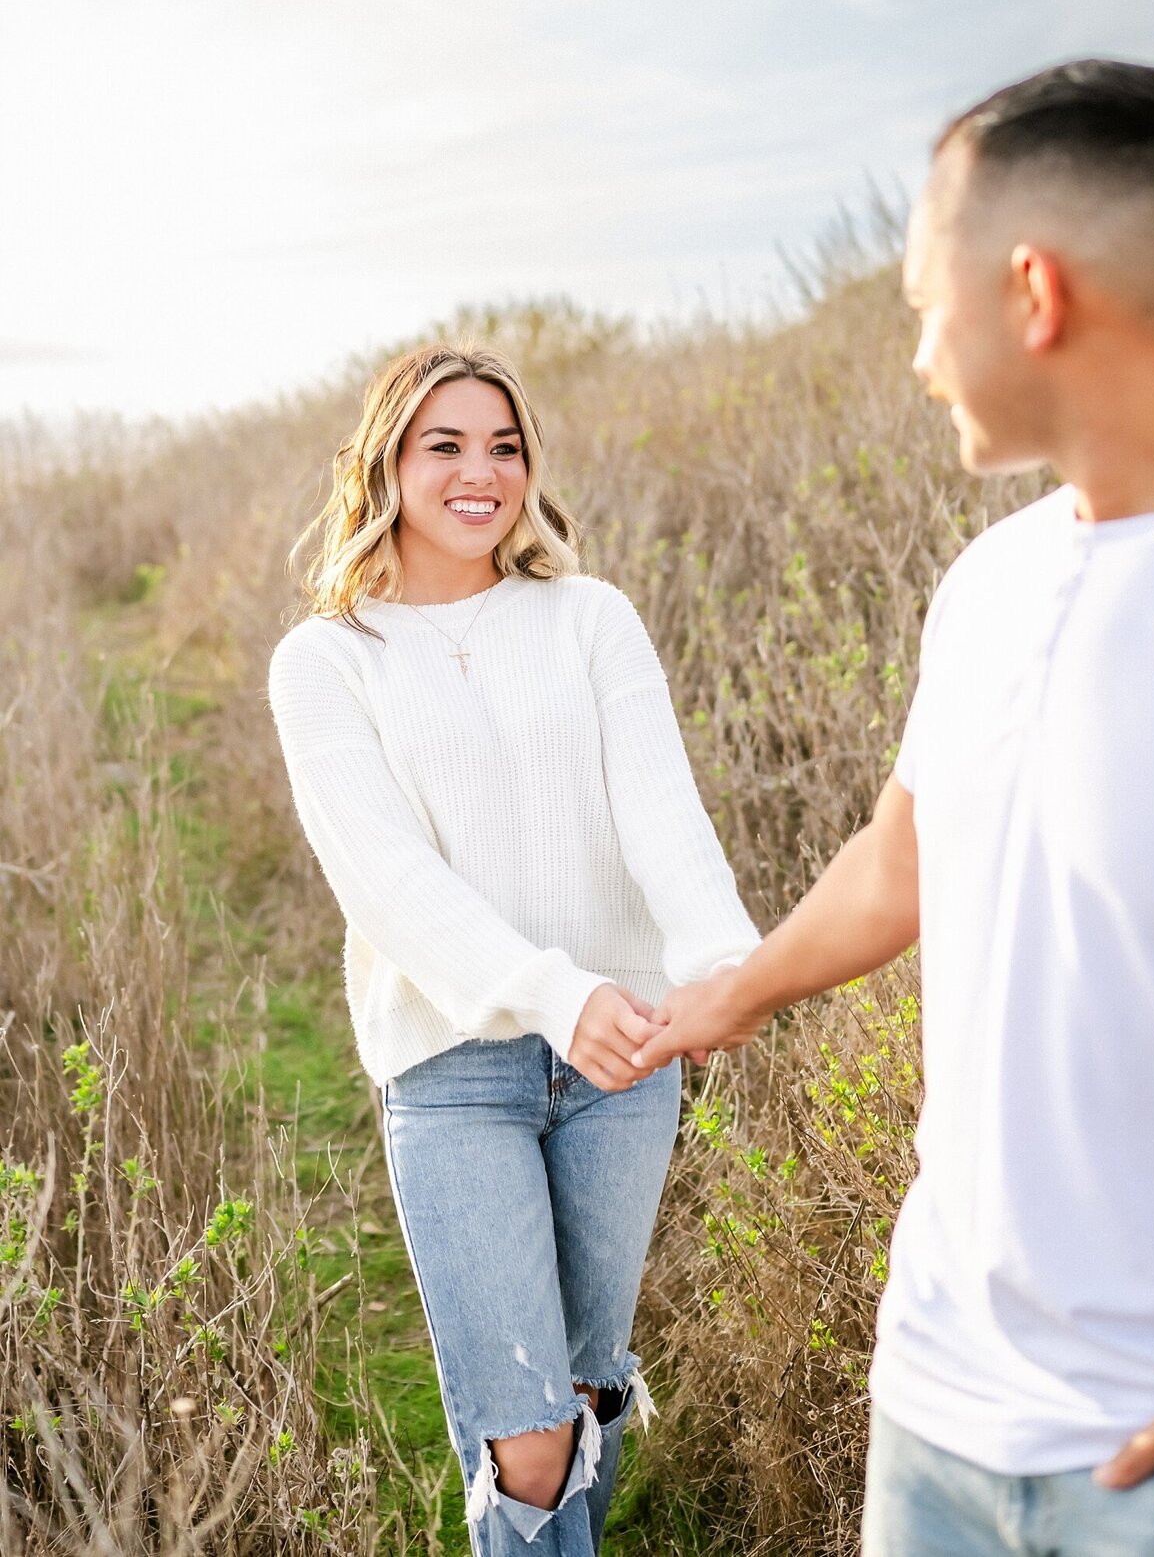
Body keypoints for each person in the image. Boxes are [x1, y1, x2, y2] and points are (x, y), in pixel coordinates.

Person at [634, 59, 1154, 1554]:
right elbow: (907, 853)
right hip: (935, 1406)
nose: (916, 353)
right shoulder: (989, 582)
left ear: (1034, 291)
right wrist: (730, 995)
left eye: (917, 303)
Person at [267, 343, 757, 1556]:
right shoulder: (327, 659)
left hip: (627, 1060)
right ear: (386, 463)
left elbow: (660, 810)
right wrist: (550, 991)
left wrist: (725, 965)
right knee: (527, 1433)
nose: (482, 471)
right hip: (455, 1068)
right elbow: (387, 880)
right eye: (446, 444)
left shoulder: (589, 616)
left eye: (506, 445)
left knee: (586, 1395)